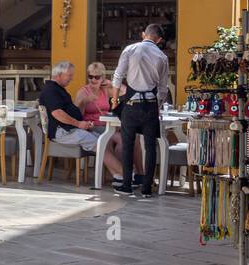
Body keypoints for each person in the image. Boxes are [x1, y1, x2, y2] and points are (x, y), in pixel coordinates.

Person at [111, 23, 171, 198]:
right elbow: (163, 89)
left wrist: (115, 100)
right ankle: (146, 188)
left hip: (131, 105)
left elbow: (117, 76)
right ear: (159, 40)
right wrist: (157, 107)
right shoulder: (162, 57)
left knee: (128, 145)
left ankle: (127, 186)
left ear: (144, 34)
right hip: (151, 106)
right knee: (150, 147)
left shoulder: (130, 49)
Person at [39, 60, 122, 181]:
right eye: (69, 75)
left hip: (70, 129)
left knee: (102, 140)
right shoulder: (51, 90)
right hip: (63, 131)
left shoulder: (58, 89)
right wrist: (78, 123)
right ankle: (126, 175)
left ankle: (118, 176)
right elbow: (57, 113)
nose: (71, 79)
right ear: (59, 75)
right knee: (100, 143)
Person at [77, 61, 144, 179]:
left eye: (97, 77)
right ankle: (123, 174)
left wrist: (112, 83)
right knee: (123, 140)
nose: (93, 80)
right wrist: (84, 102)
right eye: (90, 76)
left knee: (134, 137)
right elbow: (77, 115)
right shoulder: (83, 92)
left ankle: (137, 174)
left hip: (109, 126)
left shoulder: (105, 90)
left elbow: (127, 93)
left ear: (102, 77)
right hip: (94, 127)